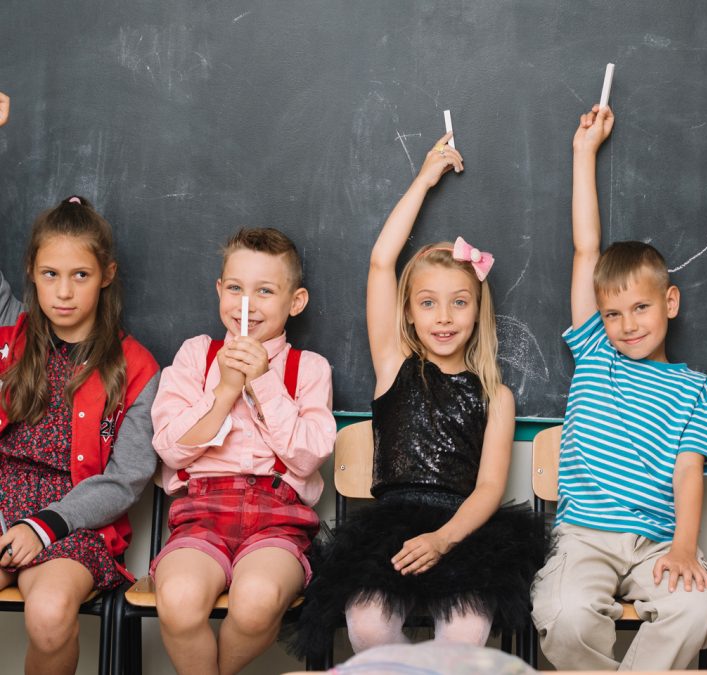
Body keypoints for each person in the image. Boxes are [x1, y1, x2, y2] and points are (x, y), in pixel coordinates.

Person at [293, 132, 548, 662]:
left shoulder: (496, 396)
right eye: (429, 303)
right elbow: (382, 263)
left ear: (478, 310)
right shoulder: (395, 366)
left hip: (464, 529)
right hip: (391, 523)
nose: (445, 316)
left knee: (467, 632)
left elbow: (488, 489)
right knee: (365, 623)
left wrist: (443, 540)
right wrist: (425, 178)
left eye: (459, 302)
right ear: (408, 312)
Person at [530, 105, 707, 671]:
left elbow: (690, 472)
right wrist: (583, 154)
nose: (628, 323)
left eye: (641, 307)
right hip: (584, 536)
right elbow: (586, 250)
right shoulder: (595, 352)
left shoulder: (697, 389)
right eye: (613, 313)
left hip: (658, 544)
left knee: (697, 609)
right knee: (563, 615)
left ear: (670, 303)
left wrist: (686, 548)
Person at [150, 227, 335, 675]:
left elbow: (308, 456)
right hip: (200, 514)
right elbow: (170, 450)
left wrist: (263, 383)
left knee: (257, 603)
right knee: (178, 600)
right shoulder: (196, 356)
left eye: (265, 291)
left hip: (278, 520)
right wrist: (225, 390)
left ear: (296, 302)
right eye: (235, 288)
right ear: (219, 290)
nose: (245, 303)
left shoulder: (309, 369)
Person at [0, 196, 159, 675]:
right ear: (30, 270)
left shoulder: (137, 367)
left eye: (81, 275)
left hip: (74, 523)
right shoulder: (10, 330)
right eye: (50, 274)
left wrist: (42, 525)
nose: (63, 292)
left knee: (49, 612)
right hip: (2, 510)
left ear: (106, 275)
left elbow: (126, 479)